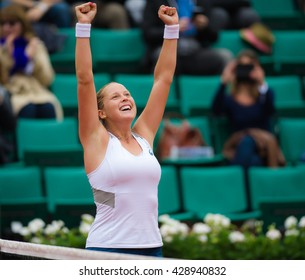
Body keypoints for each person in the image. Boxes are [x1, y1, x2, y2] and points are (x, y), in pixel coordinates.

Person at [75, 2, 178, 257]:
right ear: (100, 112)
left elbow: (163, 79)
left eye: (127, 94)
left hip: (152, 247)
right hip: (107, 249)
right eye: (115, 97)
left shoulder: (144, 136)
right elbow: (85, 78)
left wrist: (172, 31)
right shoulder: (95, 139)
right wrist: (83, 27)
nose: (125, 98)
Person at [211, 49, 285, 169]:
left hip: (262, 147)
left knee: (249, 142)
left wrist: (262, 83)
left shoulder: (264, 95)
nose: (245, 71)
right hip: (239, 146)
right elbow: (216, 111)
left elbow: (270, 111)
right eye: (242, 67)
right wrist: (224, 82)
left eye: (249, 67)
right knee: (251, 154)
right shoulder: (230, 100)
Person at [0, 4, 63, 119]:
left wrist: (32, 58)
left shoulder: (35, 45)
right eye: (3, 23)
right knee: (27, 109)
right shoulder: (1, 47)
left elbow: (47, 78)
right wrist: (7, 55)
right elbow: (3, 79)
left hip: (37, 90)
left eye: (12, 23)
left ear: (22, 25)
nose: (6, 27)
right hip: (12, 92)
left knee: (49, 107)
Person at [141, 0, 232, 75]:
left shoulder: (201, 2)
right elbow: (148, 34)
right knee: (160, 57)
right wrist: (173, 29)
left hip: (195, 51)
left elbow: (214, 37)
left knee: (225, 56)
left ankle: (219, 95)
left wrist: (205, 27)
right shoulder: (156, 2)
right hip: (166, 48)